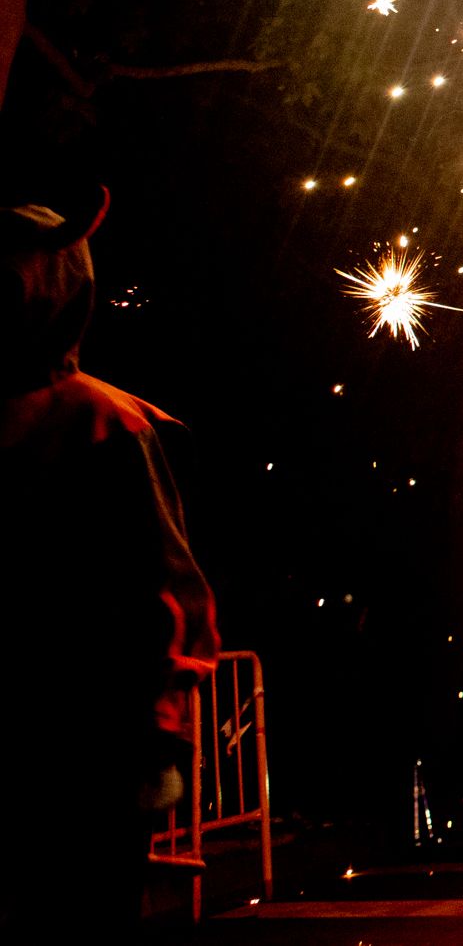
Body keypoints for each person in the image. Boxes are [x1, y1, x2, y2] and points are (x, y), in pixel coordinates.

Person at [0, 187, 219, 941]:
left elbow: (167, 583)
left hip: (90, 744)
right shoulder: (103, 420)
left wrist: (159, 728)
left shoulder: (107, 424)